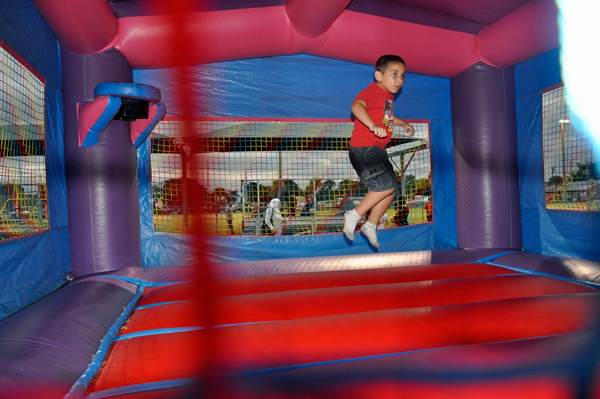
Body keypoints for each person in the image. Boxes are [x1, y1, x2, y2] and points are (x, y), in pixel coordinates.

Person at [343, 55, 414, 248]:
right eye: (394, 74)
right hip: (363, 149)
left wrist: (402, 123)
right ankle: (354, 214)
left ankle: (371, 225)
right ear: (379, 75)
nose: (400, 80)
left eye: (403, 76)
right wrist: (372, 125)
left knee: (392, 190)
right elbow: (356, 106)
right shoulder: (373, 91)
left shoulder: (388, 97)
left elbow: (388, 117)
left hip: (377, 150)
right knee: (385, 186)